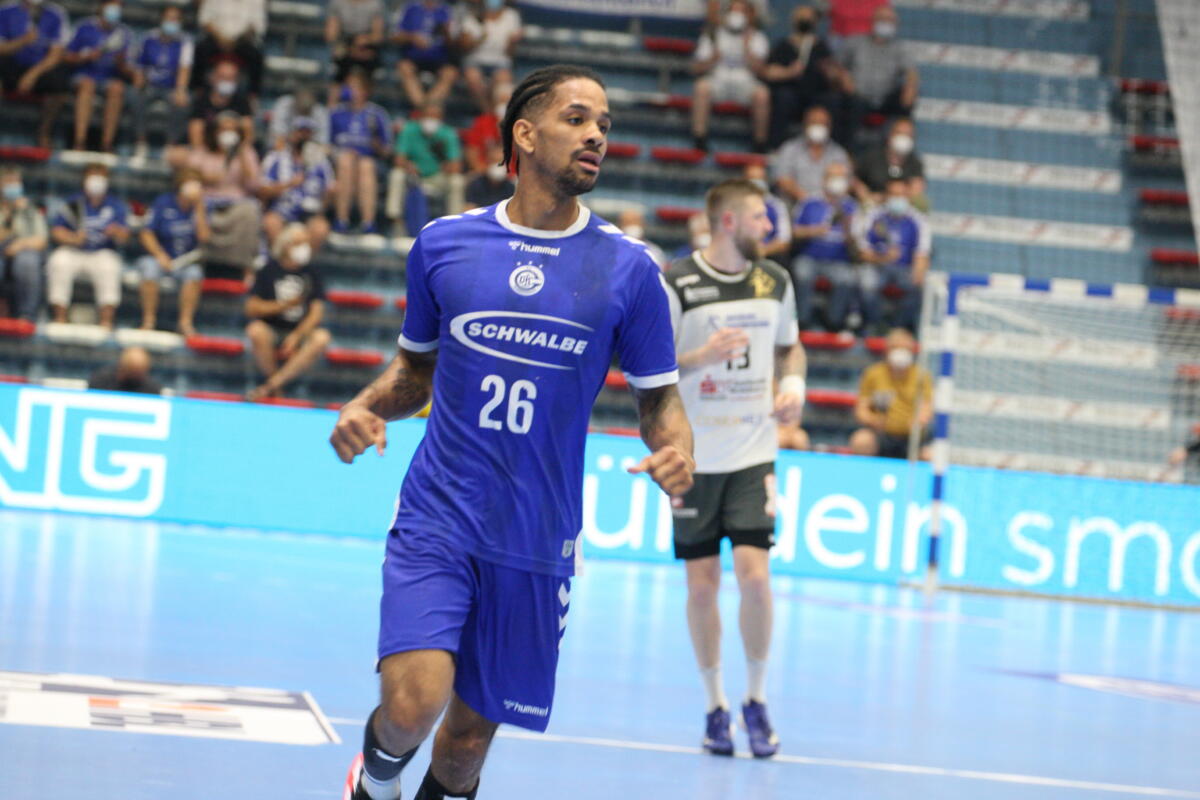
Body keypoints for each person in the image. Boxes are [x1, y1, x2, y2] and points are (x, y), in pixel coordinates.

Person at [329, 64, 694, 800]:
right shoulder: (444, 244)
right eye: (577, 118)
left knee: (465, 747)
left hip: (537, 533)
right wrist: (363, 406)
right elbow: (414, 373)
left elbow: (659, 400)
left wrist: (677, 450)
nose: (596, 135)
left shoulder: (630, 270)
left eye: (604, 124)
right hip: (440, 513)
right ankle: (374, 780)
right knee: (413, 705)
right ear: (525, 135)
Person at [662, 178, 805, 759]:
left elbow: (790, 347)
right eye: (759, 217)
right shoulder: (678, 281)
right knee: (702, 584)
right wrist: (703, 356)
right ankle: (715, 705)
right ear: (728, 221)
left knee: (755, 576)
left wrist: (793, 386)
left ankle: (757, 699)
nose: (768, 226)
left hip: (753, 451)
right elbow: (651, 366)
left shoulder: (775, 281)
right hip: (694, 456)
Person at [167, 112, 261, 277]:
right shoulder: (202, 151)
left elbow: (254, 185)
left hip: (236, 203)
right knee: (196, 205)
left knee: (251, 212)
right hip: (206, 200)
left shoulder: (246, 153)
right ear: (214, 131)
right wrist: (206, 178)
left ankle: (244, 268)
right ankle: (199, 262)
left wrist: (240, 154)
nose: (228, 133)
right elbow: (187, 176)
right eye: (223, 129)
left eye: (232, 130)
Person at [245, 222, 330, 401]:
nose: (304, 248)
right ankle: (275, 389)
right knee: (255, 330)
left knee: (321, 337)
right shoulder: (268, 270)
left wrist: (297, 336)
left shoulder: (312, 272)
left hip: (300, 330)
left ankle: (270, 386)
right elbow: (252, 308)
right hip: (272, 328)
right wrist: (285, 305)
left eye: (306, 243)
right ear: (286, 245)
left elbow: (316, 312)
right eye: (299, 243)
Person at [46, 162, 128, 328]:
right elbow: (56, 231)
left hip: (102, 251)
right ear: (84, 180)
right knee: (58, 261)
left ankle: (106, 321)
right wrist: (72, 238)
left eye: (100, 177)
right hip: (74, 250)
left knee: (109, 267)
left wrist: (116, 232)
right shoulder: (73, 202)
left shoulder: (115, 205)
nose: (96, 181)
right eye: (93, 177)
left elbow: (124, 237)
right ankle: (60, 317)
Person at [137, 168, 210, 335]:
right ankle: (148, 320)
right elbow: (146, 233)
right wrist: (160, 255)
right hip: (159, 257)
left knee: (195, 274)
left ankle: (185, 323)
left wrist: (199, 208)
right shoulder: (163, 202)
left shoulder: (202, 208)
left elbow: (204, 237)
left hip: (185, 261)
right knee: (149, 269)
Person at [690, 0, 769, 153]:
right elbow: (696, 68)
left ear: (749, 15)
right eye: (734, 10)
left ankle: (759, 143)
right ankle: (700, 139)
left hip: (745, 83)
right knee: (701, 87)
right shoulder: (713, 34)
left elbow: (761, 70)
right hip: (718, 80)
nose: (737, 14)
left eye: (741, 11)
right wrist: (712, 59)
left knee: (762, 94)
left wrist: (747, 49)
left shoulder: (758, 37)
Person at [762, 4, 843, 149]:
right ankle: (775, 146)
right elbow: (769, 72)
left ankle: (834, 148)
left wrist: (830, 73)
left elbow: (833, 75)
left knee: (833, 100)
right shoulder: (783, 45)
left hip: (815, 95)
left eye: (809, 18)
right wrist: (789, 72)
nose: (805, 21)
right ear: (793, 20)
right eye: (802, 18)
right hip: (791, 94)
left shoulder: (821, 47)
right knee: (782, 97)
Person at [791, 161, 860, 332]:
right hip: (810, 258)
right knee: (802, 273)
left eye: (841, 178)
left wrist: (848, 231)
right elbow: (793, 232)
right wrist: (813, 231)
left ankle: (833, 321)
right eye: (834, 177)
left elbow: (859, 245)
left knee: (848, 278)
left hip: (839, 261)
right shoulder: (809, 202)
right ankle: (802, 321)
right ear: (824, 180)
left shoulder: (852, 207)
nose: (837, 181)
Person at [857, 177, 929, 332]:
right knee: (866, 282)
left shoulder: (918, 220)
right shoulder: (874, 216)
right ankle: (876, 325)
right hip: (877, 266)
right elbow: (863, 253)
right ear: (886, 196)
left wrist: (918, 273)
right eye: (893, 194)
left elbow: (922, 254)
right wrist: (883, 258)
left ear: (908, 196)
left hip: (904, 268)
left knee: (916, 286)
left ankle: (898, 329)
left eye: (901, 195)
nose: (897, 199)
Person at [63, 0, 136, 153]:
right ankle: (80, 141)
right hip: (83, 75)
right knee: (87, 85)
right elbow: (66, 57)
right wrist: (86, 57)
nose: (114, 10)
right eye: (112, 6)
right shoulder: (84, 27)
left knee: (117, 88)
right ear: (102, 7)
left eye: (118, 7)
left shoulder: (125, 33)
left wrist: (121, 63)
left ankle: (107, 144)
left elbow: (130, 71)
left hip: (108, 78)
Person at [850, 327, 931, 459]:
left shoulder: (921, 376)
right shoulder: (873, 374)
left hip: (911, 437)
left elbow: (926, 408)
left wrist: (918, 421)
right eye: (896, 348)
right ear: (887, 350)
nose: (901, 353)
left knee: (930, 454)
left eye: (905, 349)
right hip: (882, 435)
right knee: (862, 441)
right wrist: (873, 420)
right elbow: (861, 409)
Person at [0, 0, 71, 148]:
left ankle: (43, 133)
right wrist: (24, 40)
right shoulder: (5, 11)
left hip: (40, 68)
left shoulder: (56, 14)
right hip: (12, 64)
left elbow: (56, 54)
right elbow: (2, 49)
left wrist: (33, 74)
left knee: (60, 82)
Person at [840, 5, 918, 138]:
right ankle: (848, 144)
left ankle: (899, 141)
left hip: (886, 100)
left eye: (890, 20)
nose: (886, 23)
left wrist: (911, 86)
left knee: (906, 98)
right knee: (837, 101)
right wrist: (844, 77)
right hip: (857, 97)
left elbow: (911, 72)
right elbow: (837, 65)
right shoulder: (855, 42)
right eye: (882, 19)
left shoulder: (900, 48)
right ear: (873, 21)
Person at [387, 100, 465, 234]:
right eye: (428, 116)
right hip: (413, 176)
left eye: (435, 117)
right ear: (420, 116)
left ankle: (453, 226)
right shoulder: (409, 129)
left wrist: (446, 166)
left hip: (436, 177)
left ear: (441, 119)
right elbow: (398, 159)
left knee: (457, 180)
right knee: (397, 174)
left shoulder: (447, 133)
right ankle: (395, 221)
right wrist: (408, 165)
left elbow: (456, 166)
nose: (431, 120)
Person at [329, 69, 392, 234]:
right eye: (348, 87)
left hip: (369, 162)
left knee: (366, 165)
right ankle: (341, 219)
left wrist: (376, 145)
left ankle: (368, 222)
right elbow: (326, 145)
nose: (350, 91)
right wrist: (339, 153)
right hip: (340, 160)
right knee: (346, 161)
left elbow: (387, 152)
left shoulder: (377, 114)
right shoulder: (336, 113)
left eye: (355, 87)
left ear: (365, 91)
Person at [261, 116, 336, 251]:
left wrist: (329, 196)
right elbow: (263, 190)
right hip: (281, 211)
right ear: (292, 134)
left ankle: (303, 262)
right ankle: (280, 261)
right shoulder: (276, 158)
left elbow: (329, 191)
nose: (303, 136)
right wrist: (289, 184)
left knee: (320, 228)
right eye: (300, 132)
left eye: (308, 133)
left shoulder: (322, 162)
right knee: (271, 222)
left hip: (309, 213)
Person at [130, 3, 193, 159]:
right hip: (150, 85)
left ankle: (171, 144)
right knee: (135, 96)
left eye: (175, 19)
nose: (172, 22)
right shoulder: (148, 38)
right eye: (169, 18)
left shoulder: (185, 41)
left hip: (171, 87)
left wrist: (180, 90)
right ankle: (140, 142)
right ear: (161, 19)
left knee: (182, 103)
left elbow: (184, 68)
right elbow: (140, 66)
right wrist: (139, 83)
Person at [770, 104, 851, 204]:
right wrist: (807, 200)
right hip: (794, 204)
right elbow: (782, 179)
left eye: (822, 123)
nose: (818, 127)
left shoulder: (838, 153)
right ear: (805, 124)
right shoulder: (789, 149)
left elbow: (847, 182)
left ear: (829, 127)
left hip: (829, 206)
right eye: (814, 122)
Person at [0, 166, 47, 321]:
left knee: (27, 261)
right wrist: (11, 214)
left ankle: (26, 315)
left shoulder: (31, 209)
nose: (13, 186)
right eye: (8, 182)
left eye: (16, 182)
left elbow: (41, 240)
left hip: (24, 251)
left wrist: (20, 245)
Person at [458, 0, 521, 114]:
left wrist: (513, 42)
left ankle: (497, 115)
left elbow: (510, 53)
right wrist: (479, 40)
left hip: (500, 61)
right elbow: (463, 48)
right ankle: (488, 113)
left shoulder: (511, 16)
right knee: (473, 79)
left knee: (504, 82)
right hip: (475, 60)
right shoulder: (472, 16)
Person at [391, 0, 457, 109]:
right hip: (413, 57)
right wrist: (412, 37)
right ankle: (425, 110)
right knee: (404, 68)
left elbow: (454, 44)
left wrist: (447, 34)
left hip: (439, 59)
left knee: (450, 73)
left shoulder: (447, 11)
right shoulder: (409, 8)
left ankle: (423, 110)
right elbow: (394, 37)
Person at [193, 0, 265, 98]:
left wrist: (237, 40)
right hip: (216, 38)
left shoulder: (257, 1)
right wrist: (220, 38)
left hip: (242, 40)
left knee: (256, 56)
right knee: (201, 50)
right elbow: (205, 21)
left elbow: (256, 26)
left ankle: (252, 96)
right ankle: (198, 91)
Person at [855, 116, 926, 208]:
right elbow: (856, 180)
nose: (903, 138)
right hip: (872, 206)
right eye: (899, 133)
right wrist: (867, 198)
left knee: (922, 203)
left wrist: (889, 197)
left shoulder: (915, 162)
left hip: (902, 208)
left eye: (908, 135)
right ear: (890, 134)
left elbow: (917, 188)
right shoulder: (871, 157)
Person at [326, 0, 385, 108]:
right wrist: (349, 48)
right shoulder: (337, 3)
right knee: (340, 62)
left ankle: (363, 108)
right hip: (345, 43)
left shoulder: (374, 4)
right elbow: (331, 35)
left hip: (367, 44)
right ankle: (332, 109)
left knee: (369, 60)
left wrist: (364, 40)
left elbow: (377, 36)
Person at [188, 58, 254, 149]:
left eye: (231, 78)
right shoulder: (201, 101)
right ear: (212, 78)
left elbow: (248, 133)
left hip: (235, 150)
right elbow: (196, 133)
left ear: (237, 80)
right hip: (206, 149)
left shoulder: (242, 102)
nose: (227, 81)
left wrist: (240, 151)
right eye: (223, 77)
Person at [743, 161, 790, 260]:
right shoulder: (734, 203)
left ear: (766, 180)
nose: (756, 182)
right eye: (752, 178)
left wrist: (762, 251)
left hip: (769, 255)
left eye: (760, 178)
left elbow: (784, 241)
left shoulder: (777, 205)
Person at [462, 82, 509, 175]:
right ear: (494, 103)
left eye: (508, 102)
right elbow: (471, 150)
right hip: (485, 172)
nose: (504, 106)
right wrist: (482, 170)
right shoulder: (482, 122)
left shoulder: (522, 125)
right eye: (501, 101)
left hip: (514, 175)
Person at [269, 86, 331, 151]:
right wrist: (293, 137)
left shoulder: (320, 111)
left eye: (306, 110)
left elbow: (323, 142)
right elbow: (277, 135)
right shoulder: (284, 105)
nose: (304, 112)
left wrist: (307, 139)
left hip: (310, 148)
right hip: (286, 146)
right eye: (302, 109)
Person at [88, 346, 162, 394]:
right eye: (132, 372)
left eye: (138, 373)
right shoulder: (101, 382)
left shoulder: (152, 389)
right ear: (123, 367)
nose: (134, 377)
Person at [462, 142, 512, 210]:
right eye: (494, 161)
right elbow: (469, 209)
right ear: (488, 162)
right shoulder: (475, 185)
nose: (498, 165)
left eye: (501, 162)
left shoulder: (510, 187)